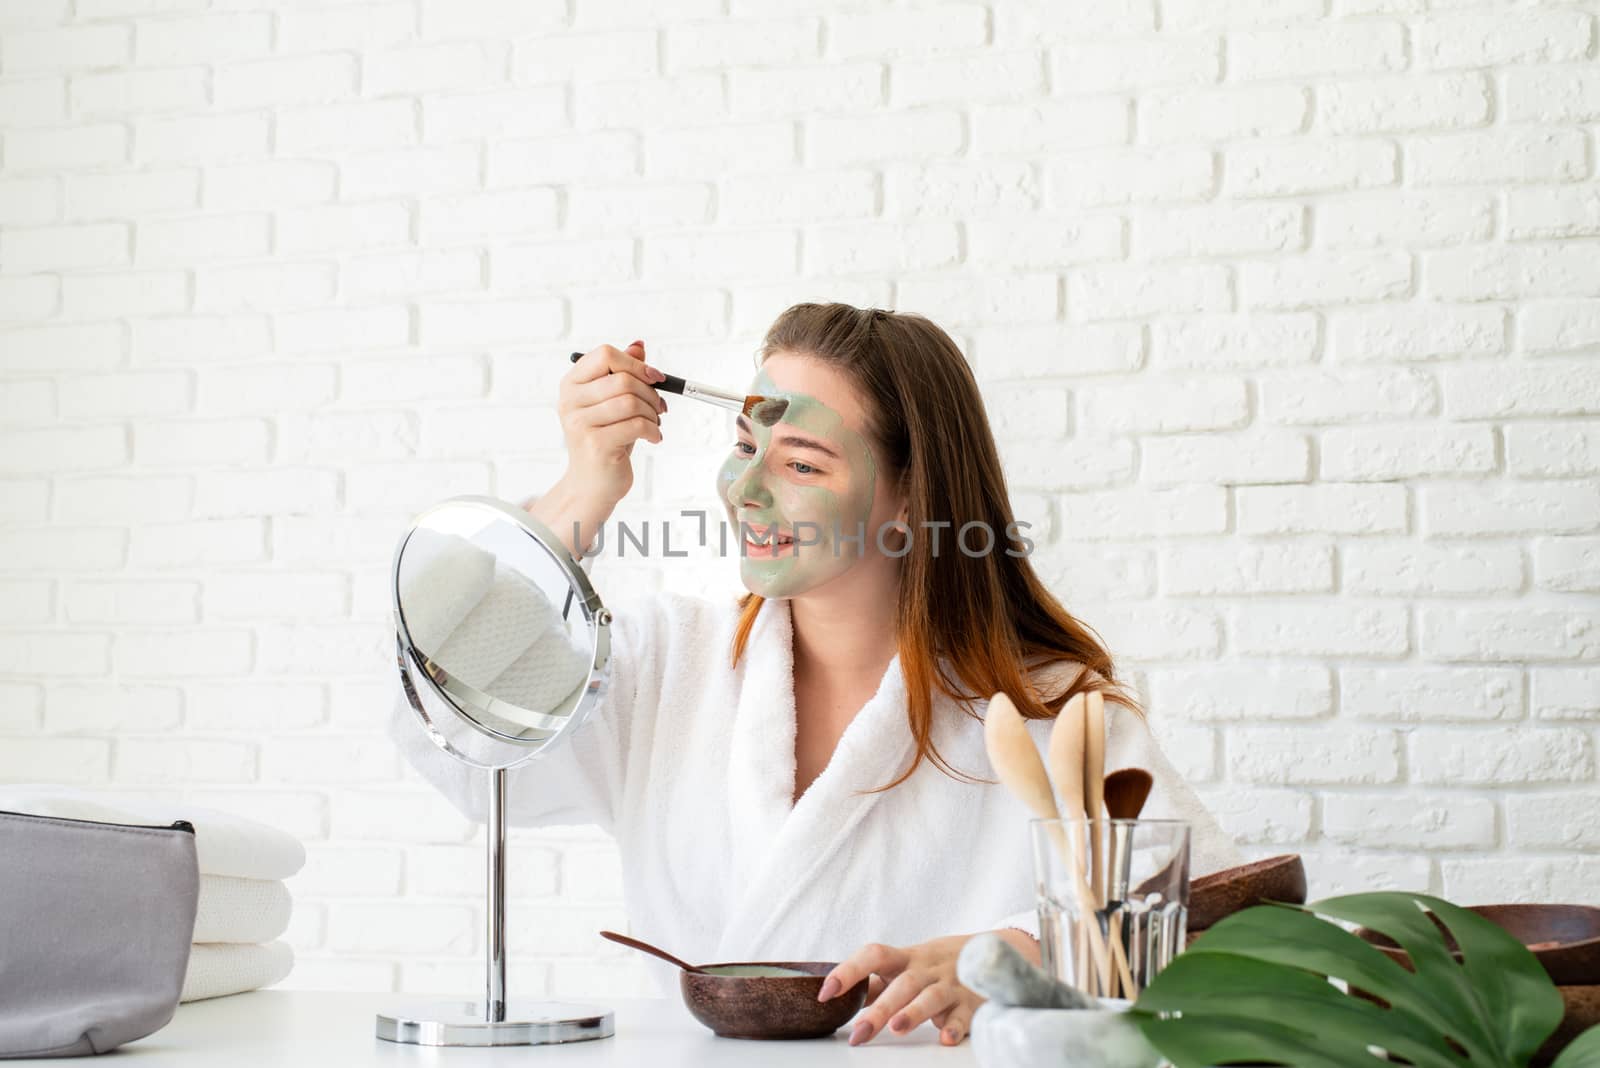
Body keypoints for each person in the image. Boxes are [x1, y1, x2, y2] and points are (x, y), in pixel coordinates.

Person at [390, 302, 1242, 1047]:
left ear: (909, 498)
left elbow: (1231, 929)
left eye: (801, 464)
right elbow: (457, 736)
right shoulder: (662, 664)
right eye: (743, 444)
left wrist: (1024, 957)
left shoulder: (1052, 715)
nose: (747, 489)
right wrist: (581, 490)